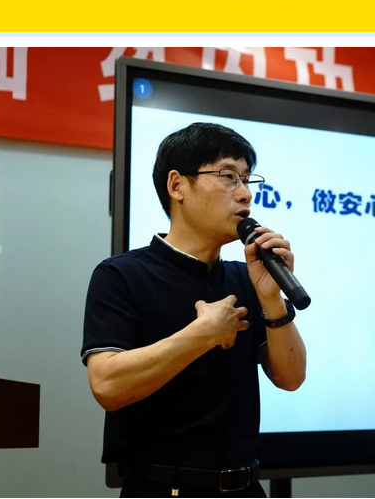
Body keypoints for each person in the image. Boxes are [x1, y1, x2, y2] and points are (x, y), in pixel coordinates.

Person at [81, 122, 307, 498]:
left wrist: (270, 298)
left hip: (245, 488)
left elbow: (291, 377)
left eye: (247, 179)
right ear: (177, 185)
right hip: (163, 489)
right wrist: (201, 335)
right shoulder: (121, 275)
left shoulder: (247, 277)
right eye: (228, 177)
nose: (245, 194)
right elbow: (107, 385)